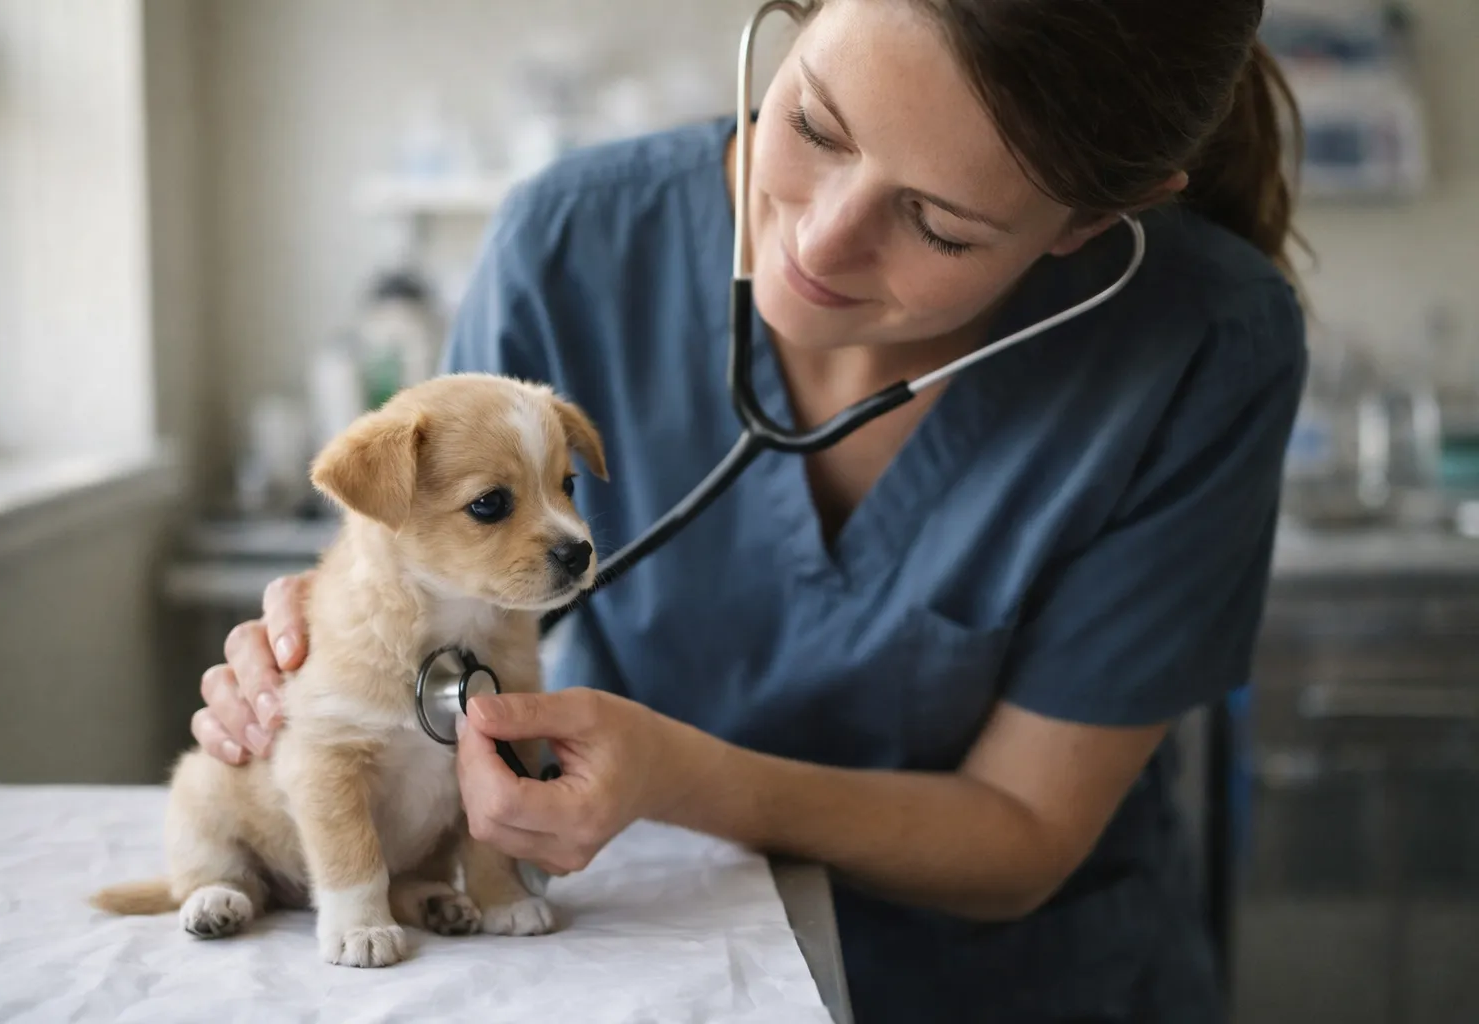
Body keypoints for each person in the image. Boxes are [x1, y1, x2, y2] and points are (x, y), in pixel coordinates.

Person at [193, 1, 1307, 1020]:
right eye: (816, 126)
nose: (817, 244)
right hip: (655, 960)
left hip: (1021, 987)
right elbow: (441, 555)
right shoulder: (571, 241)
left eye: (942, 225)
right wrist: (338, 636)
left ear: (1090, 219)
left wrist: (679, 774)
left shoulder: (1202, 342)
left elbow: (1021, 833)